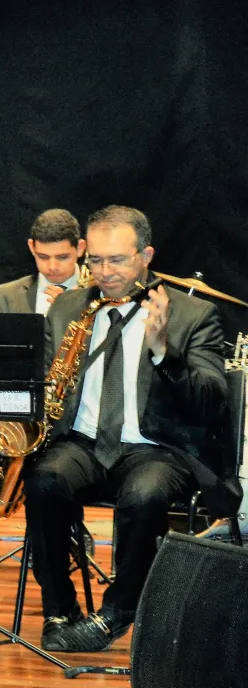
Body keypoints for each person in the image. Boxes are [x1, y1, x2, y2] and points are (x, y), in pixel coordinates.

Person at [28, 206, 229, 652]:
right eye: (95, 260)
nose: (104, 272)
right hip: (84, 442)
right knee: (43, 481)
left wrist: (163, 352)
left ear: (146, 256)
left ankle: (117, 612)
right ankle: (59, 609)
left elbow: (211, 403)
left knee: (144, 493)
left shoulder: (193, 314)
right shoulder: (68, 307)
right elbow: (43, 380)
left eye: (117, 260)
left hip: (158, 447)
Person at [0, 208, 86, 316]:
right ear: (31, 247)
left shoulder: (98, 293)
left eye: (62, 257)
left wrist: (71, 311)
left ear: (80, 248)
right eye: (43, 257)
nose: (52, 267)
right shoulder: (6, 296)